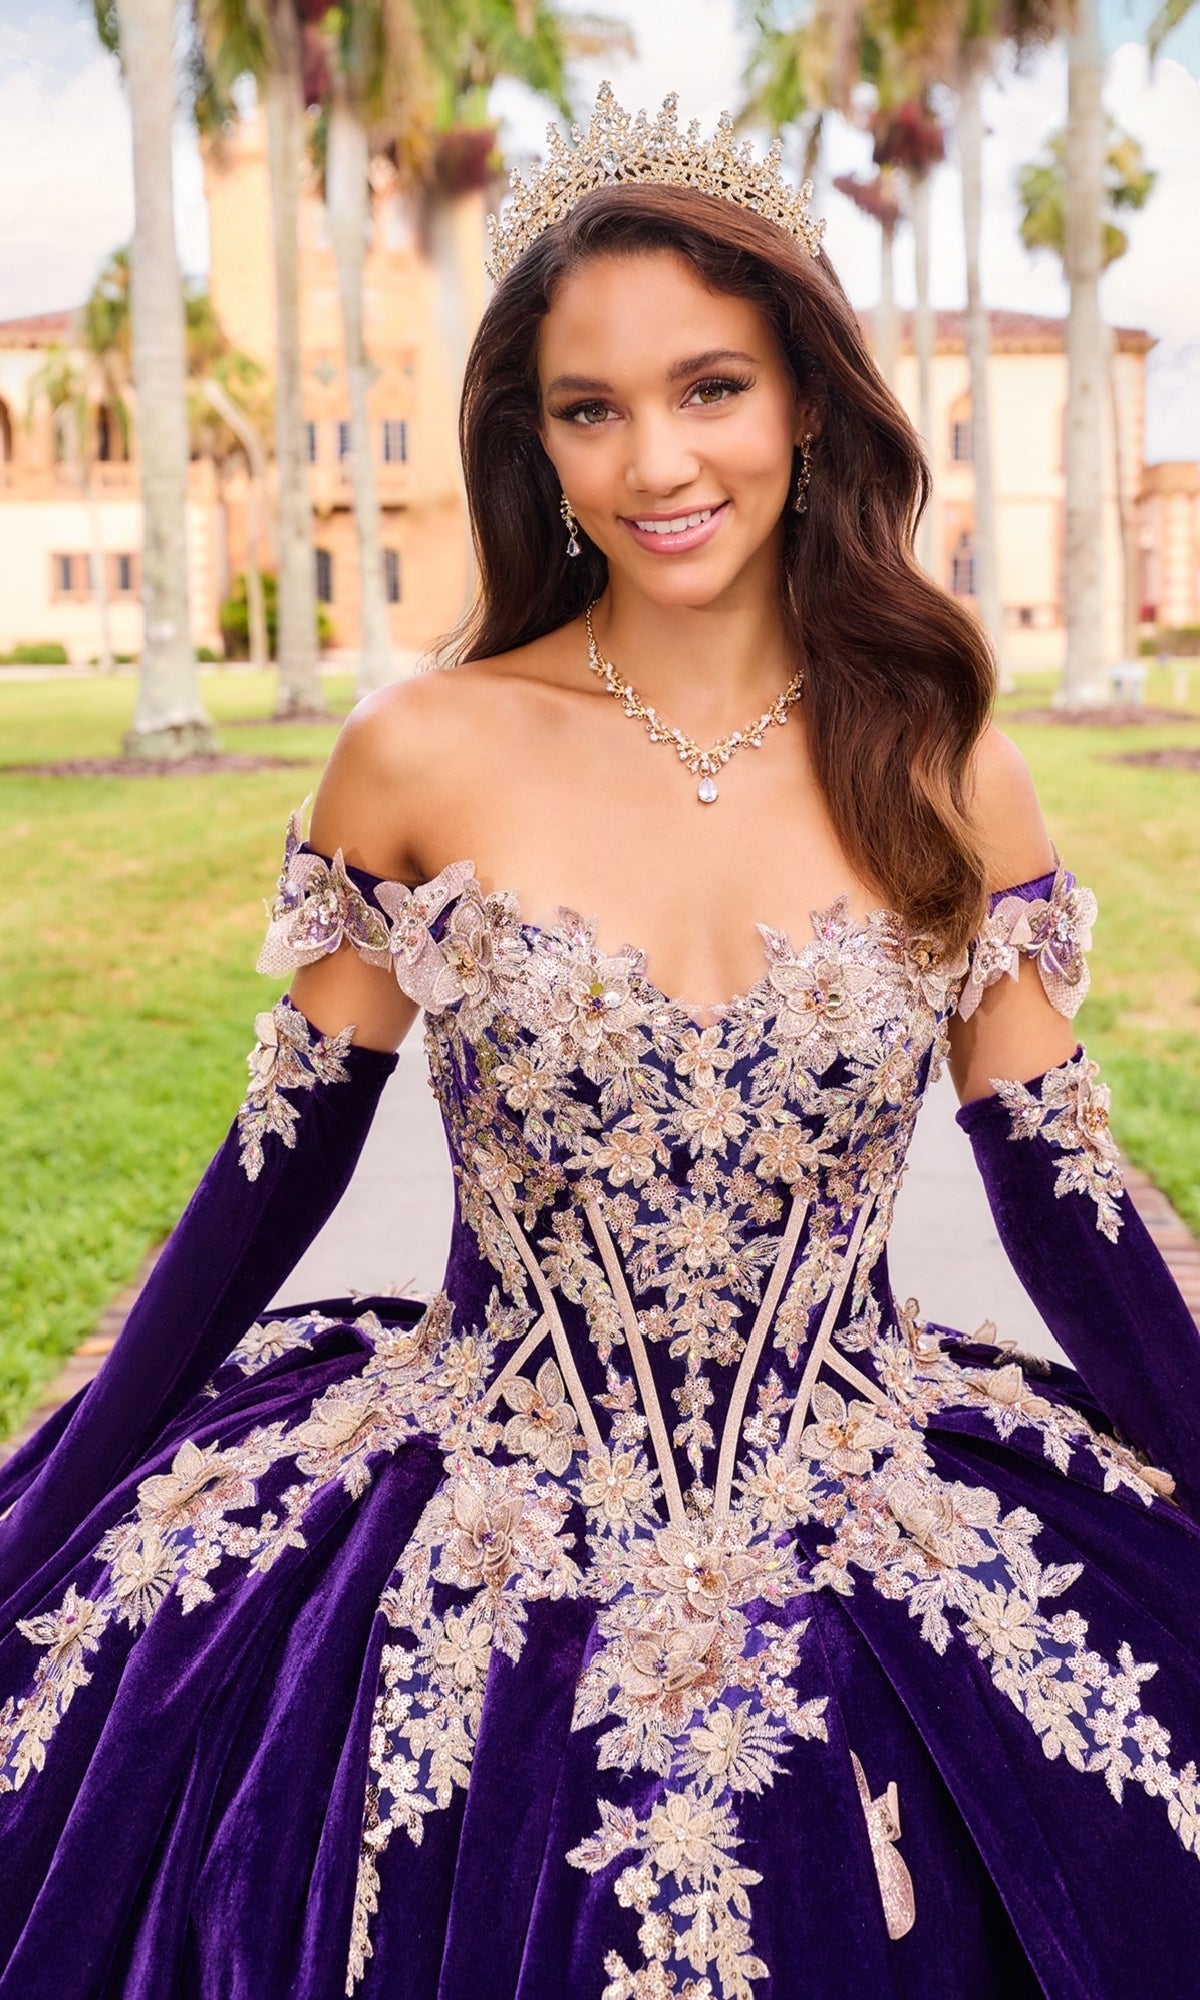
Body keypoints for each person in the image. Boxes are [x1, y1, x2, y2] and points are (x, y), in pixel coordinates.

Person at [2, 84, 1200, 2000]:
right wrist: (62, 1496)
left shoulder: (948, 763)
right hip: (483, 1501)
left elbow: (1057, 1200)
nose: (658, 459)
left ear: (809, 398)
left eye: (711, 386)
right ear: (535, 438)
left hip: (869, 1481)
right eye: (591, 407)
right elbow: (271, 1181)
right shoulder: (423, 749)